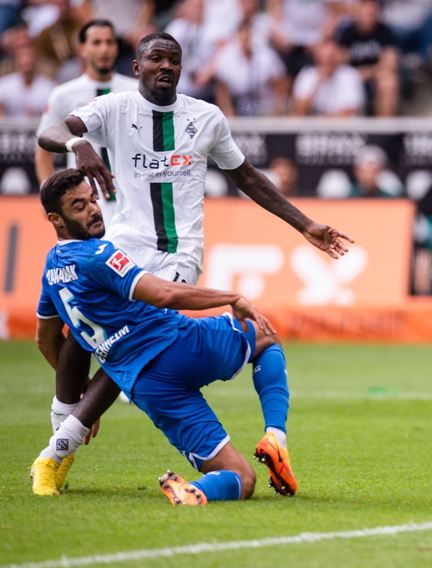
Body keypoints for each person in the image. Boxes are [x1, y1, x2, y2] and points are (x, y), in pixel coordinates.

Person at [37, 32, 353, 490]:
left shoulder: (206, 117)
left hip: (177, 255)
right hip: (121, 245)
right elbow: (50, 133)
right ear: (137, 67)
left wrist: (304, 224)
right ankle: (60, 439)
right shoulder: (112, 109)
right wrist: (77, 145)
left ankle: (58, 451)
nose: (166, 66)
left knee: (131, 342)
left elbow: (246, 175)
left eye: (174, 60)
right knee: (77, 338)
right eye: (156, 58)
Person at [29, 169, 295, 503]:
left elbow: (45, 339)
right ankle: (276, 438)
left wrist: (82, 391)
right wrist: (232, 297)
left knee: (242, 478)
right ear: (55, 219)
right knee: (265, 338)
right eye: (79, 206)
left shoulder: (51, 271)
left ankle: (193, 491)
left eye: (93, 200)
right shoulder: (98, 254)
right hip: (180, 345)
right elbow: (163, 294)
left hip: (147, 388)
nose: (94, 210)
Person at [35, 20, 138, 225]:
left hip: (132, 202)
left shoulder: (136, 91)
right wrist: (47, 191)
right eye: (97, 42)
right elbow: (43, 149)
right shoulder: (63, 94)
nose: (104, 49)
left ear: (117, 47)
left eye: (109, 42)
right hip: (84, 204)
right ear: (82, 48)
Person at [337, 0, 400, 117]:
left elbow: (390, 64)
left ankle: (384, 125)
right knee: (344, 79)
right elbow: (340, 62)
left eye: (373, 13)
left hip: (375, 76)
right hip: (353, 76)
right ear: (357, 14)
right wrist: (354, 74)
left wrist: (368, 72)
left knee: (388, 81)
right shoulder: (347, 34)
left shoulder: (385, 32)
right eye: (367, 14)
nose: (370, 17)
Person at [214, 21, 287, 116]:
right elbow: (221, 89)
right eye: (242, 37)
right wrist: (228, 113)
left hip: (265, 109)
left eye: (248, 36)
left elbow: (280, 84)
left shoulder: (267, 57)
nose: (245, 40)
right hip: (238, 110)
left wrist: (277, 111)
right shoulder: (226, 57)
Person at [291, 39, 365, 116]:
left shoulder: (349, 75)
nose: (328, 63)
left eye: (331, 58)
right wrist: (317, 84)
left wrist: (322, 120)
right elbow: (298, 110)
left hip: (337, 123)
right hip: (314, 122)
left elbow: (348, 112)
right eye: (324, 59)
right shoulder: (307, 75)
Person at [0, 41, 55, 116]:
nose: (26, 60)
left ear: (36, 61)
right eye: (22, 57)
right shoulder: (3, 86)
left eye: (29, 56)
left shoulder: (49, 88)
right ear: (16, 61)